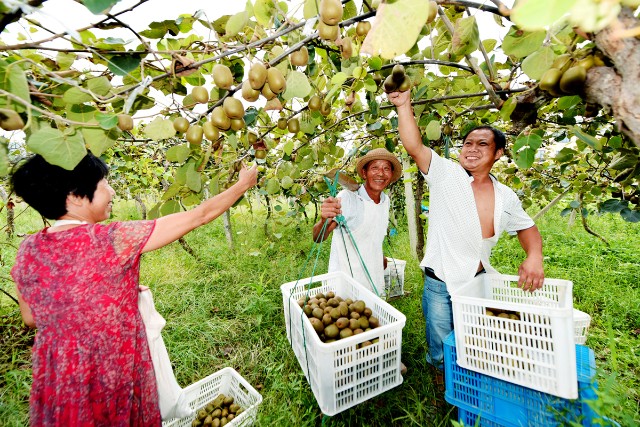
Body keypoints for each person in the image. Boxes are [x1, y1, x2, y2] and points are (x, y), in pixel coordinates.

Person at [10, 152, 257, 426]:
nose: (112, 190)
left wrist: (100, 295)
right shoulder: (112, 239)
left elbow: (31, 317)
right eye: (104, 183)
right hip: (111, 369)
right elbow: (199, 215)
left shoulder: (28, 249)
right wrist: (243, 184)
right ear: (76, 196)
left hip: (59, 374)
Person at [388, 90, 544, 383]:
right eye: (468, 143)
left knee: (474, 340)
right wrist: (403, 104)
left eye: (482, 144)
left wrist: (534, 256)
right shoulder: (447, 174)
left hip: (476, 281)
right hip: (440, 281)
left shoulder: (505, 196)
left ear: (498, 153)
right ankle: (441, 388)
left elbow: (527, 228)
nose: (471, 149)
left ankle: (470, 384)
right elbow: (414, 146)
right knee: (440, 344)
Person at [312, 148, 402, 296]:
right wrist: (323, 220)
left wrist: (379, 257)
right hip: (346, 282)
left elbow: (373, 236)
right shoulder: (348, 198)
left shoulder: (385, 201)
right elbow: (318, 237)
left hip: (373, 278)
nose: (381, 173)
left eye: (386, 168)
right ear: (365, 173)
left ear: (391, 175)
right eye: (375, 168)